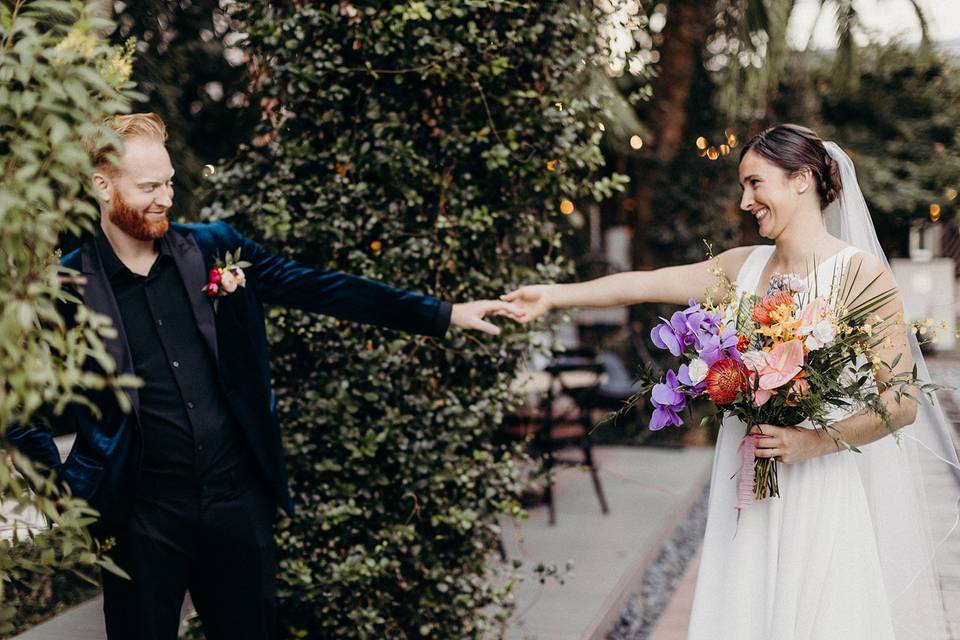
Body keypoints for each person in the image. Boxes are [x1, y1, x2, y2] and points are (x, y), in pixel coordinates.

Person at [5, 112, 522, 640]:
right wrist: (67, 494)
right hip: (139, 518)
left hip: (236, 501)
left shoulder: (212, 248)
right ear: (102, 185)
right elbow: (14, 408)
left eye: (169, 183)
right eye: (148, 187)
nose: (165, 198)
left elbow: (317, 286)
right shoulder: (64, 286)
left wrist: (442, 313)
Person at [504, 124, 959, 639]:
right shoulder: (741, 267)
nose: (745, 201)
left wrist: (810, 441)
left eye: (755, 183)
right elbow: (644, 284)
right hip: (744, 472)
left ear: (802, 179)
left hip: (815, 482)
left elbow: (901, 403)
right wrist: (551, 296)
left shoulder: (859, 274)